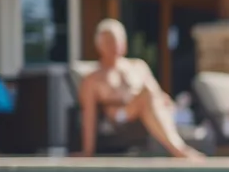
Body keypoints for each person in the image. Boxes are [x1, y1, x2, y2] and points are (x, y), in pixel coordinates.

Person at [76, 19, 204, 159]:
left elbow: (156, 93)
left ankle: (179, 147)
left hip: (147, 114)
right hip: (120, 117)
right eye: (109, 41)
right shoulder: (92, 79)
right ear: (99, 45)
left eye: (117, 40)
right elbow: (89, 115)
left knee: (158, 97)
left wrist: (166, 103)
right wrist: (87, 151)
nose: (114, 45)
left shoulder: (138, 66)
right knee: (147, 93)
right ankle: (179, 150)